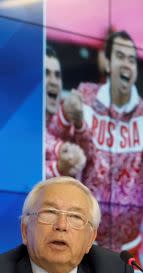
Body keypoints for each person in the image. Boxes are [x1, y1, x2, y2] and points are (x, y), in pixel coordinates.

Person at [48, 30, 143, 260]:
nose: (127, 64)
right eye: (120, 56)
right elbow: (53, 139)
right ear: (108, 64)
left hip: (129, 247)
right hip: (86, 242)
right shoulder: (86, 98)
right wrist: (68, 116)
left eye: (132, 60)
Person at [0, 176, 141, 273]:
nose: (61, 225)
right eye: (49, 213)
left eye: (75, 217)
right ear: (25, 230)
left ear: (90, 240)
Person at [44, 46, 86, 179]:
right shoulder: (17, 122)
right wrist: (59, 165)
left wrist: (79, 123)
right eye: (46, 73)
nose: (54, 82)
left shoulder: (69, 120)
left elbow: (90, 156)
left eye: (57, 75)